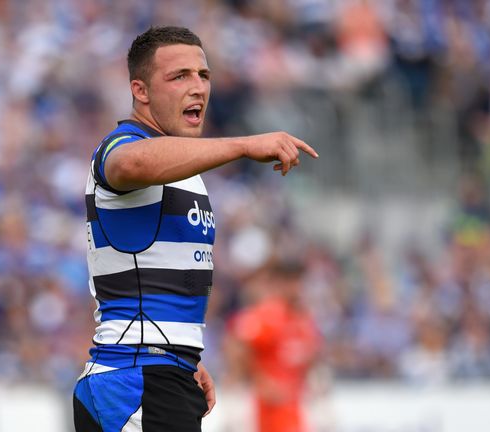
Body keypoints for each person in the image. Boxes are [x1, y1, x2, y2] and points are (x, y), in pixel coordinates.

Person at [73, 26, 318, 432]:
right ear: (141, 90)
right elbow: (128, 164)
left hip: (160, 372)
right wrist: (242, 145)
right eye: (179, 76)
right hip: (134, 379)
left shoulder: (184, 169)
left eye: (203, 75)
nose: (198, 87)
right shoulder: (122, 146)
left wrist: (184, 355)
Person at [227, 258, 322, 432]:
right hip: (269, 411)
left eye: (299, 281)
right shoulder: (268, 315)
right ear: (280, 283)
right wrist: (259, 380)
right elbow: (237, 346)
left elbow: (311, 353)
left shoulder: (304, 318)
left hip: (297, 406)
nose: (296, 288)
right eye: (291, 281)